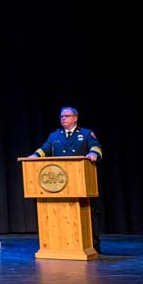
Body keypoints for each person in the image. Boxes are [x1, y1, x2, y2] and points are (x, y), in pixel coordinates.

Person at [27, 106, 103, 253]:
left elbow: (96, 147)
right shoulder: (55, 135)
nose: (63, 119)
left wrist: (93, 154)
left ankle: (92, 246)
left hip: (80, 182)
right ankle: (63, 246)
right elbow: (45, 149)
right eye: (61, 116)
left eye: (66, 116)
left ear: (75, 118)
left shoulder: (86, 134)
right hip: (60, 183)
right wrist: (34, 156)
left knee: (88, 214)